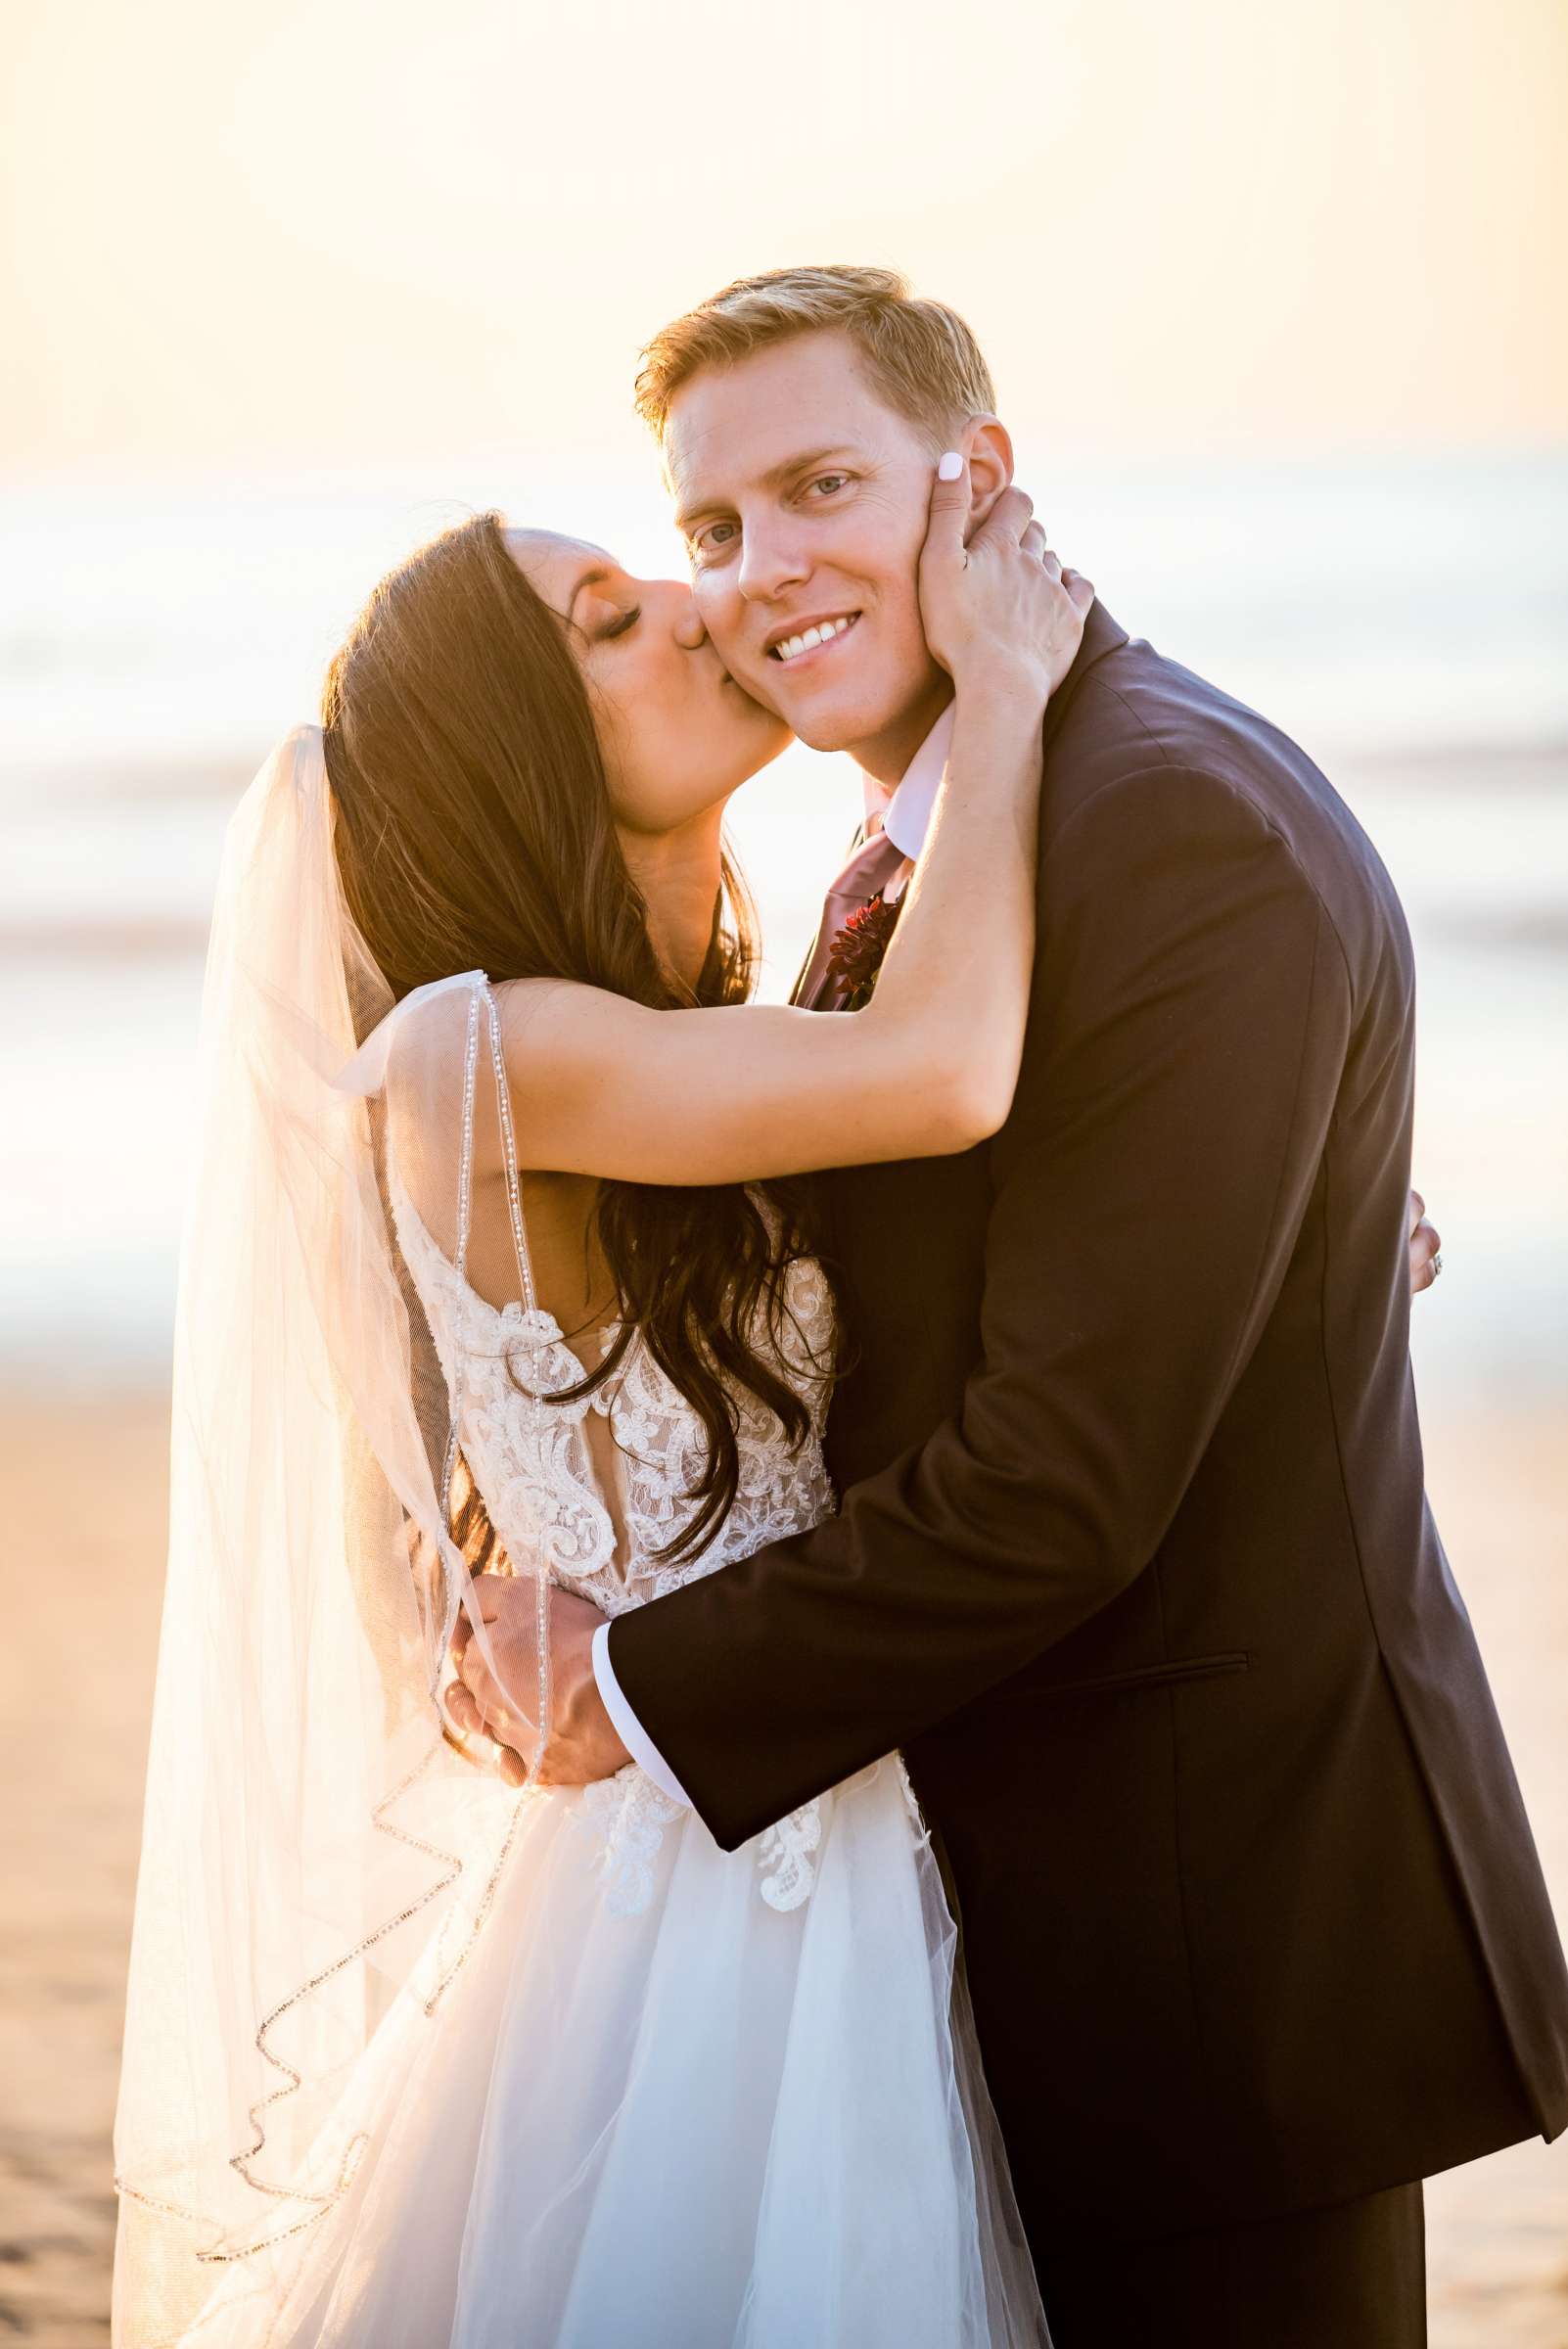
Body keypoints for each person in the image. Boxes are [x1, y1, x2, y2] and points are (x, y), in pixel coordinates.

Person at [465, 267, 1568, 2349]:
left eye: (820, 485)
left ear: (976, 487)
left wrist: (623, 1685)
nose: (757, 572)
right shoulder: (950, 847)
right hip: (1032, 1924)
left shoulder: (1162, 826)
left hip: (1213, 1957)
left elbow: (1063, 1488)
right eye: (713, 528)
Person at [114, 476, 1092, 2345]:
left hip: (815, 1790)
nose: (689, 605)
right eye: (606, 622)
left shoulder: (683, 1020)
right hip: (698, 1885)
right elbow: (950, 1069)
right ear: (512, 747)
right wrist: (1012, 686)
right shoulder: (472, 1047)